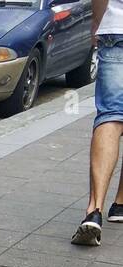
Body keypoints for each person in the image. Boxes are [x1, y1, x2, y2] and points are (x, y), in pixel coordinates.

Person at [75, 0, 123, 245]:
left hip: (117, 28)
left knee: (110, 116)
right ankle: (121, 205)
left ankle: (95, 210)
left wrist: (97, 23)